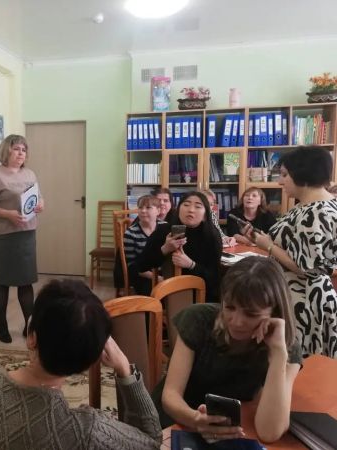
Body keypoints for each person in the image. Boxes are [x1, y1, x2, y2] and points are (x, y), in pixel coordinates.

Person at [0, 279, 162, 450]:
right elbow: (151, 441)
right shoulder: (85, 432)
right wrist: (124, 367)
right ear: (90, 362)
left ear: (32, 337)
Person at [153, 257, 302, 443]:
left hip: (227, 434)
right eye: (230, 307)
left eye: (251, 314)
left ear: (275, 313)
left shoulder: (285, 347)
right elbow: (170, 396)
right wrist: (195, 420)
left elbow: (269, 432)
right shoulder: (199, 320)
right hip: (175, 423)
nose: (237, 321)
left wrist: (278, 353)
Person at [241, 146, 337, 358]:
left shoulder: (315, 212)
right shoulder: (308, 206)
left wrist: (268, 246)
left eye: (284, 175)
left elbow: (307, 268)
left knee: (299, 363)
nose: (280, 182)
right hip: (297, 294)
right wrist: (263, 240)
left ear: (303, 173)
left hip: (305, 300)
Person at [0, 134, 44, 343]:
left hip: (27, 235)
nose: (20, 153)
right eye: (16, 149)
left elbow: (38, 197)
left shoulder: (30, 173)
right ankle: (2, 325)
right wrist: (7, 214)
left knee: (26, 282)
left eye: (24, 150)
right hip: (4, 237)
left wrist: (41, 204)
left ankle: (29, 326)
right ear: (6, 151)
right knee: (3, 282)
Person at [140, 191, 222, 302]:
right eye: (186, 205)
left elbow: (214, 278)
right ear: (178, 209)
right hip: (168, 292)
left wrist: (191, 264)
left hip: (201, 295)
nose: (191, 210)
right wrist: (165, 249)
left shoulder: (212, 236)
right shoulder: (164, 231)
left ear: (205, 215)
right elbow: (142, 265)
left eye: (198, 206)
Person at [123, 195, 163, 294]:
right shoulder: (130, 233)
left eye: (148, 207)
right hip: (143, 275)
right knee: (154, 293)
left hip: (164, 272)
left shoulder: (165, 227)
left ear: (158, 211)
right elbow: (132, 266)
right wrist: (157, 278)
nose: (143, 211)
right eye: (140, 208)